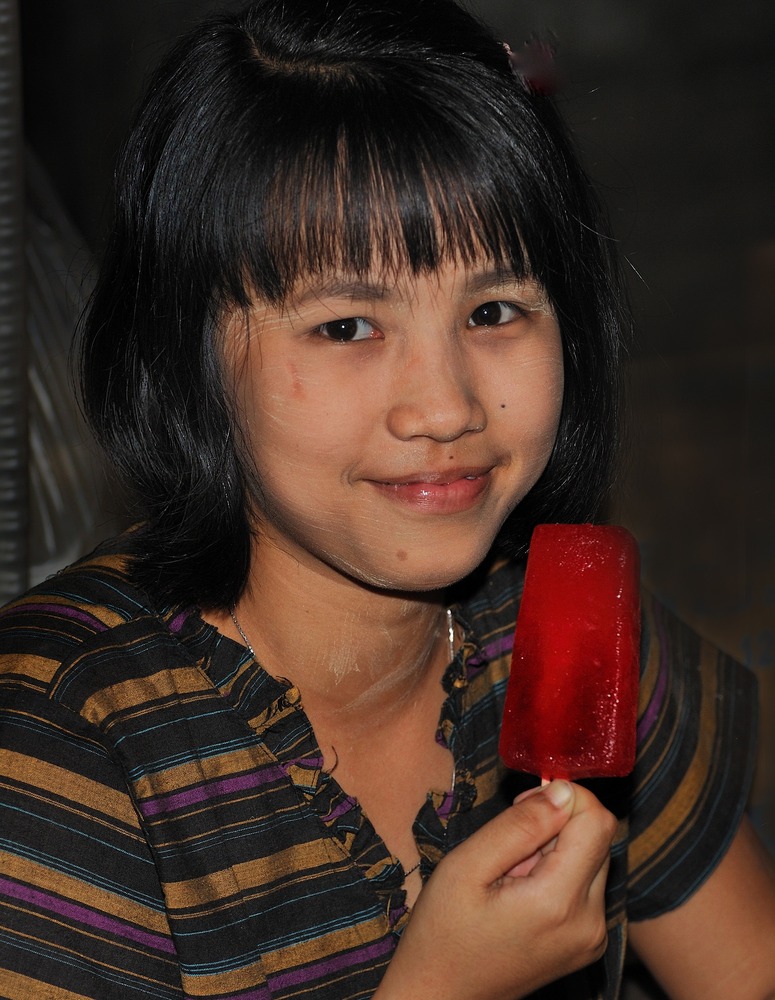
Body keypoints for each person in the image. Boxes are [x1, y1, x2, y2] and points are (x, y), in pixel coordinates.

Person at [1, 1, 774, 997]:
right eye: (348, 325)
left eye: (494, 310)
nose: (445, 406)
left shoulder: (562, 628)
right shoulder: (59, 756)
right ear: (185, 358)